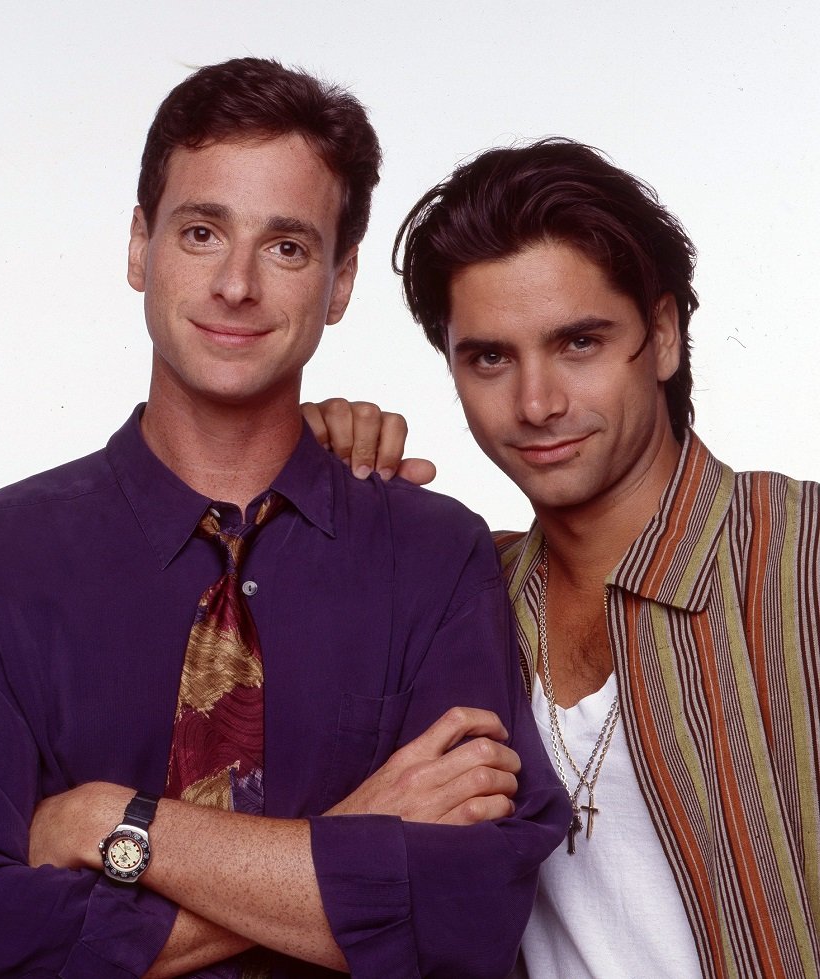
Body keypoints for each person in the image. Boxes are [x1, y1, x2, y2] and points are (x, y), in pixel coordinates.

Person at [0, 58, 568, 978]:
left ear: (342, 279)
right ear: (139, 246)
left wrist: (114, 825)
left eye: (286, 246)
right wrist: (355, 838)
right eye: (202, 232)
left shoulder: (435, 555)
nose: (237, 284)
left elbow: (469, 915)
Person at [315, 137, 820, 977]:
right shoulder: (465, 603)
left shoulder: (799, 559)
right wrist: (298, 459)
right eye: (489, 358)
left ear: (661, 336)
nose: (537, 402)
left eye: (579, 343)